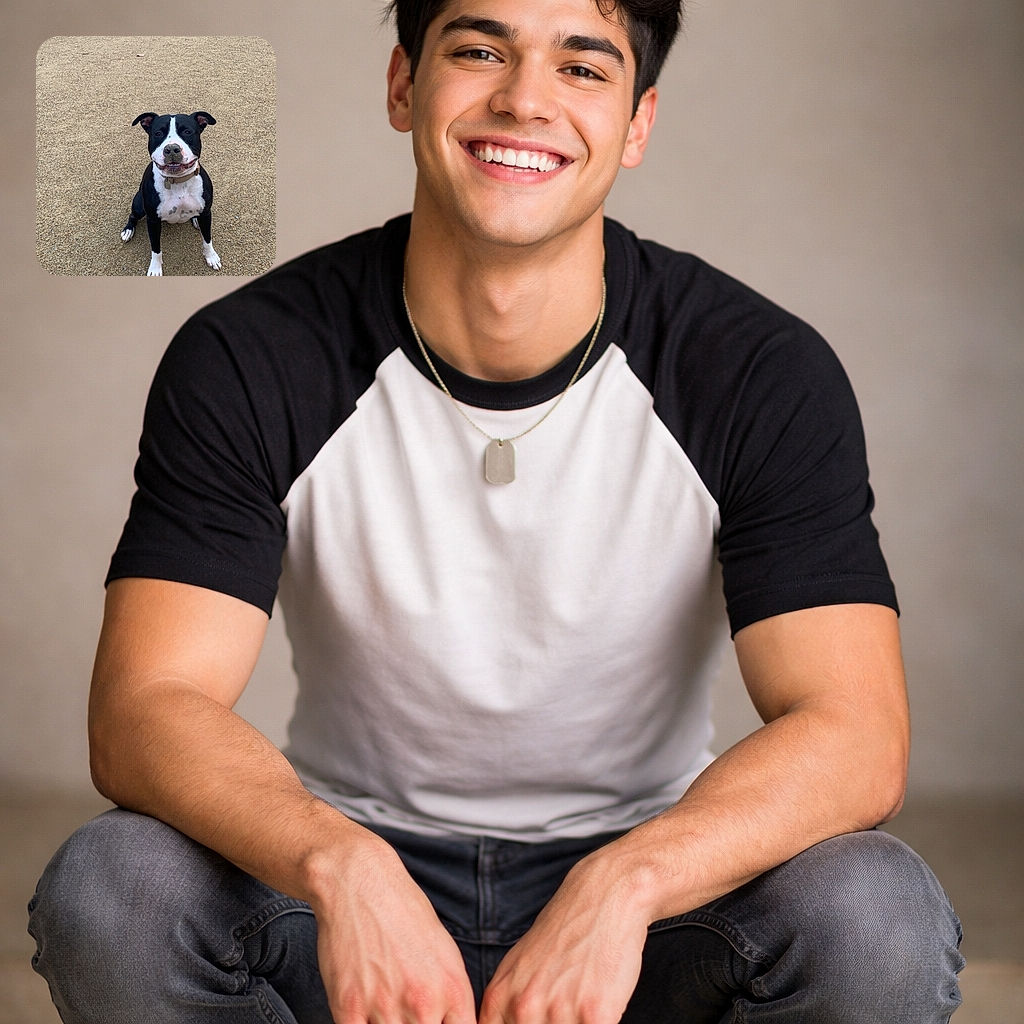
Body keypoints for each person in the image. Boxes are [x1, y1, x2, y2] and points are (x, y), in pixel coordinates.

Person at [29, 0, 964, 1021]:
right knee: (114, 884)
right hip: (343, 889)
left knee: (874, 911)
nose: (523, 99)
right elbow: (144, 707)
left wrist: (626, 882)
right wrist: (340, 864)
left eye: (582, 69)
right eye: (478, 51)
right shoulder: (252, 355)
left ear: (638, 122)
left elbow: (854, 731)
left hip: (651, 908)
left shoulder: (755, 369)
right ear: (402, 86)